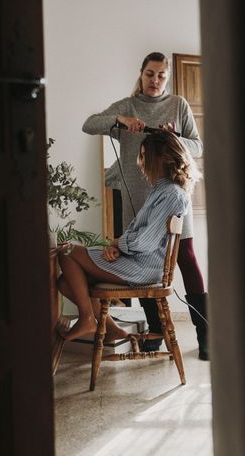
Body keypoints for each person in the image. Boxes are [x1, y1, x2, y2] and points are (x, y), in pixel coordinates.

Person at [82, 52, 210, 360]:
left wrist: (174, 136)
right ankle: (156, 329)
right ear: (141, 74)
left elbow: (198, 146)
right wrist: (119, 121)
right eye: (150, 74)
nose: (155, 81)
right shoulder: (126, 106)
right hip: (136, 200)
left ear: (167, 77)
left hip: (173, 198)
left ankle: (206, 333)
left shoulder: (178, 105)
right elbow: (89, 124)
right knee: (142, 265)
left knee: (187, 259)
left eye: (161, 76)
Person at [56, 131, 200, 344]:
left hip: (143, 268)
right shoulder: (160, 190)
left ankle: (87, 319)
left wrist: (116, 242)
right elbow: (137, 232)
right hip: (136, 261)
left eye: (144, 156)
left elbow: (144, 242)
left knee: (66, 252)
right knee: (64, 282)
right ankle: (112, 329)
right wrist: (119, 247)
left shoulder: (171, 194)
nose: (141, 163)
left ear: (161, 157)